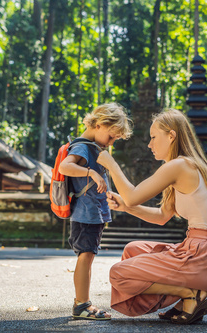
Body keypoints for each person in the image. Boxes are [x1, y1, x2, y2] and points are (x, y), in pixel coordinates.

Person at [96, 108, 207, 325]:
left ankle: (190, 294)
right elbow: (162, 216)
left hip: (204, 257)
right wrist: (125, 207)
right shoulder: (191, 165)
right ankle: (188, 295)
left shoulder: (179, 165)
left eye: (153, 137)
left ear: (171, 136)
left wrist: (111, 164)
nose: (150, 144)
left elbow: (132, 196)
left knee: (118, 274)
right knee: (132, 249)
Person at [58, 102, 132, 320]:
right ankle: (81, 304)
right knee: (86, 255)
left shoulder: (92, 147)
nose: (111, 143)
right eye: (111, 137)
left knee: (87, 255)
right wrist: (92, 172)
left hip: (91, 211)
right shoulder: (82, 147)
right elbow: (65, 167)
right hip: (86, 213)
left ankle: (83, 302)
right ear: (99, 125)